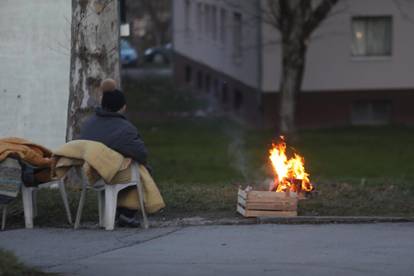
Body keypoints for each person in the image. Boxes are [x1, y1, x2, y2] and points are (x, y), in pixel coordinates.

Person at [80, 79, 147, 227]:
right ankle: (126, 213)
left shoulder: (88, 124)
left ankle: (116, 211)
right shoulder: (124, 128)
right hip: (110, 175)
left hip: (89, 173)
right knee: (140, 170)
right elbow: (142, 154)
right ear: (123, 107)